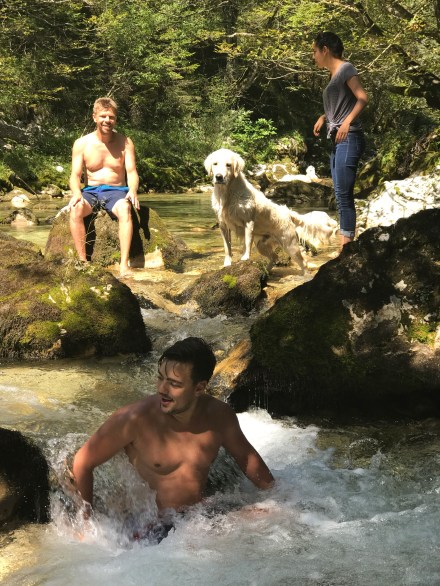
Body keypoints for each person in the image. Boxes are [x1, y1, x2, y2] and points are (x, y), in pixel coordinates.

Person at [72, 337, 274, 520]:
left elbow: (247, 459)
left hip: (196, 518)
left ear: (199, 388)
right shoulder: (134, 419)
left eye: (174, 384)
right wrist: (85, 521)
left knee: (269, 515)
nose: (162, 389)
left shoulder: (219, 416)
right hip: (152, 527)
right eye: (160, 378)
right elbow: (83, 462)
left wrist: (276, 497)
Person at [68, 97, 140, 276]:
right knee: (76, 209)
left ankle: (124, 265)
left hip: (116, 191)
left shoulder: (125, 143)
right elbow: (75, 175)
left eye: (111, 117)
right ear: (94, 117)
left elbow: (131, 172)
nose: (107, 120)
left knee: (125, 209)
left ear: (115, 119)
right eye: (103, 116)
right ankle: (83, 262)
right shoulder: (81, 143)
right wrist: (76, 193)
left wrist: (132, 190)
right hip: (91, 191)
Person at [312, 32, 368, 247]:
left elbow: (362, 98)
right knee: (339, 193)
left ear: (325, 49)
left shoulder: (346, 69)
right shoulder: (333, 75)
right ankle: (346, 246)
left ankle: (347, 248)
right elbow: (342, 104)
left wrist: (346, 122)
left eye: (315, 51)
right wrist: (323, 117)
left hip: (350, 137)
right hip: (337, 139)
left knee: (344, 195)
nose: (314, 56)